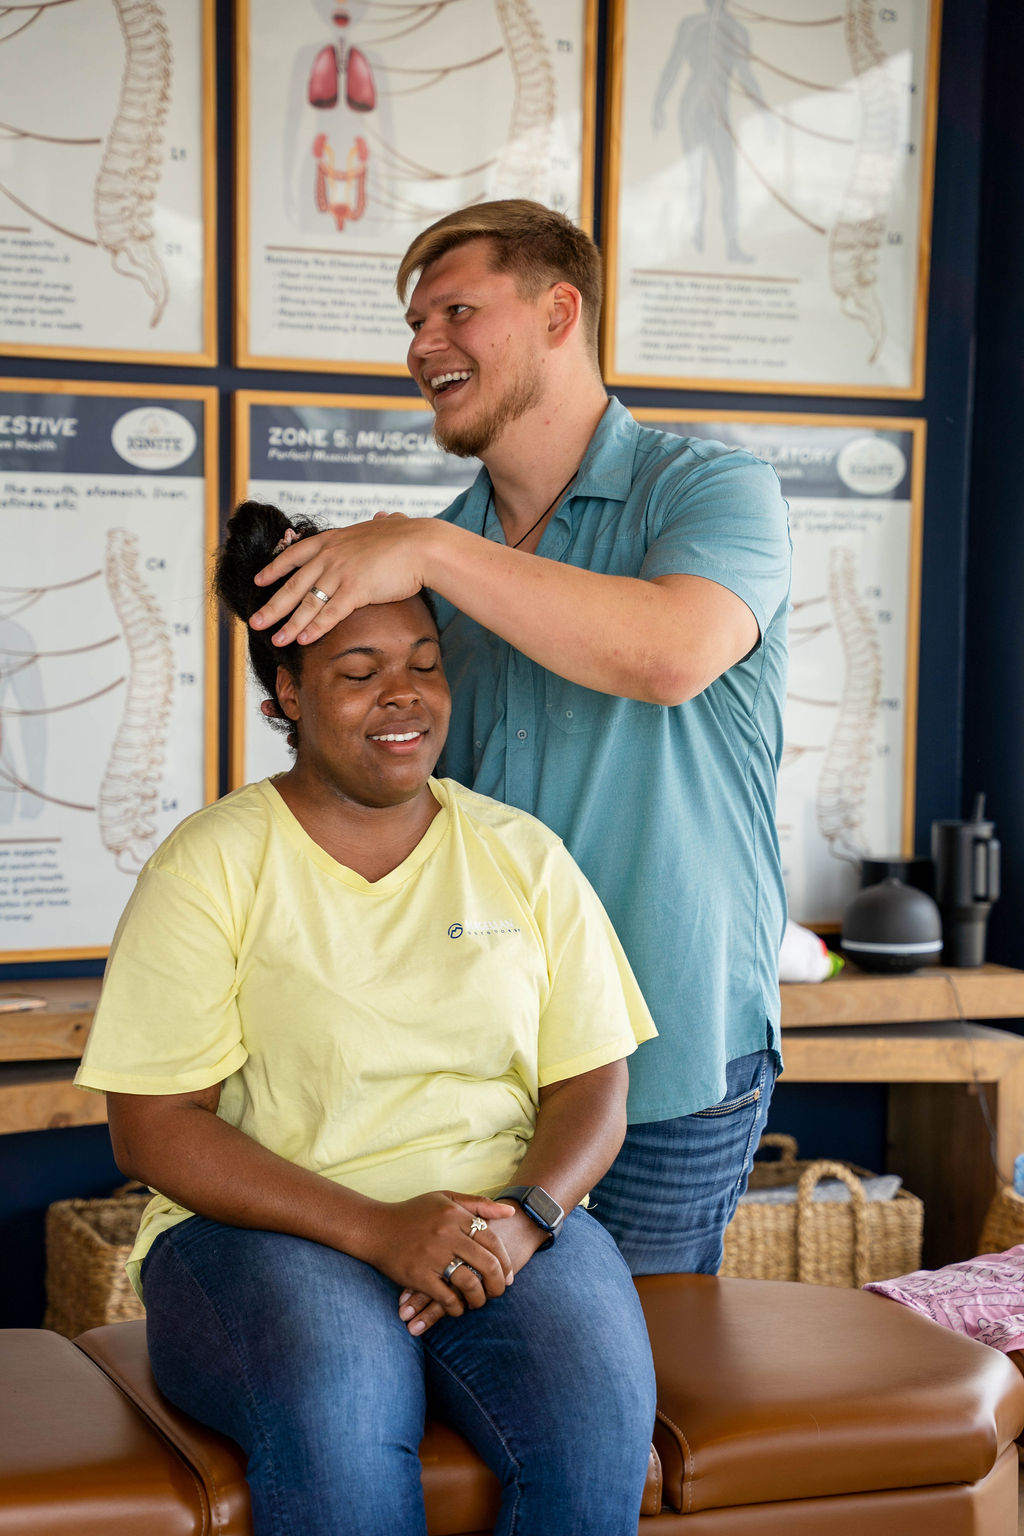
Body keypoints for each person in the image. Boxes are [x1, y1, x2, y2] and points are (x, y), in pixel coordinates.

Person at [75, 499, 658, 1536]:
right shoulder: (210, 864)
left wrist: (526, 1217)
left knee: (594, 1416)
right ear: (285, 697)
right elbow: (154, 1124)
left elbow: (591, 1080)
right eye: (358, 672)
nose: (405, 696)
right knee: (341, 1411)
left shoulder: (520, 854)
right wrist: (381, 1231)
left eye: (425, 662)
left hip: (498, 1218)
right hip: (264, 1232)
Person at [247, 199, 793, 1277]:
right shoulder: (427, 559)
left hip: (670, 1058)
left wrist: (429, 554)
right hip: (481, 1077)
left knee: (643, 1406)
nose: (421, 347)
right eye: (414, 325)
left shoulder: (712, 491)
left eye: (456, 311)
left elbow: (670, 651)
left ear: (558, 312)